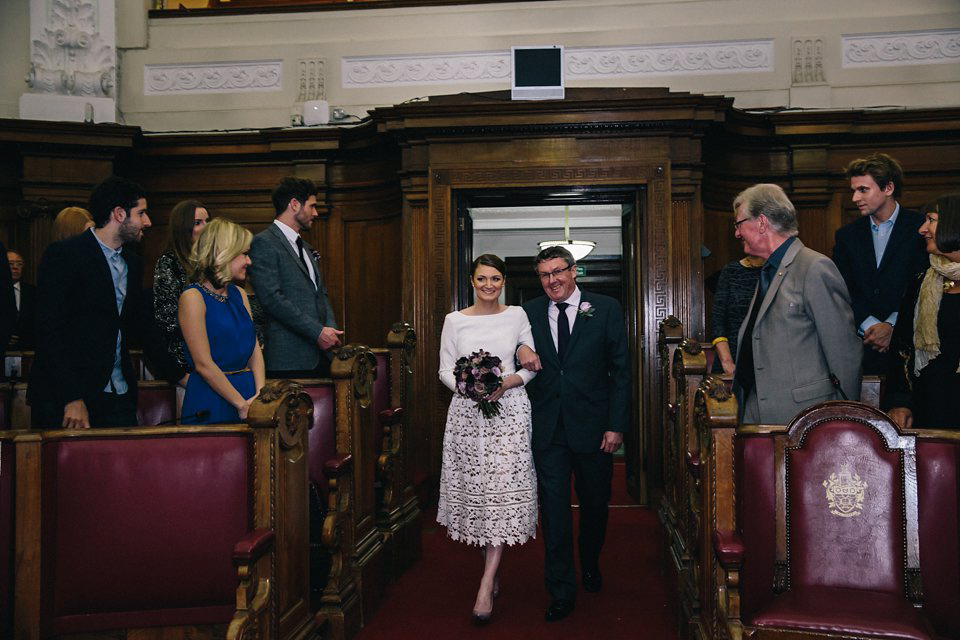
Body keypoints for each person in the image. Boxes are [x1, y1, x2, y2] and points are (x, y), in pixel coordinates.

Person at [518, 245, 630, 622]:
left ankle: (591, 561)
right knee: (553, 510)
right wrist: (520, 346)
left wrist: (616, 425)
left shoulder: (607, 308)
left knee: (595, 503)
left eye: (558, 272)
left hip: (595, 428)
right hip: (547, 428)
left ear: (574, 271)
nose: (552, 280)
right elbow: (511, 347)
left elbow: (621, 371)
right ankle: (561, 588)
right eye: (545, 275)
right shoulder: (528, 312)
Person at [29, 176, 186, 429]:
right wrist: (73, 397)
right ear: (119, 213)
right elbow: (50, 331)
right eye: (142, 213)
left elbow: (144, 327)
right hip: (66, 398)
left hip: (118, 393)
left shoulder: (133, 264)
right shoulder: (64, 255)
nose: (148, 222)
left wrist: (181, 376)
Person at [437, 253, 539, 625]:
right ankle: (492, 571)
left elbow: (530, 367)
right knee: (479, 496)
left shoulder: (518, 316)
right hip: (466, 413)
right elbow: (445, 368)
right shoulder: (454, 320)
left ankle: (484, 584)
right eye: (482, 279)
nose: (489, 285)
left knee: (500, 491)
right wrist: (468, 388)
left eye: (495, 279)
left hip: (510, 411)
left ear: (504, 281)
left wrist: (504, 383)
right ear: (472, 281)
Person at [731, 183, 862, 424]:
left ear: (761, 222)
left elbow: (844, 351)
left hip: (805, 420)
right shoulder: (769, 270)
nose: (737, 233)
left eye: (739, 224)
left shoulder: (814, 267)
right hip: (759, 411)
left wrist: (846, 418)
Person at [833, 153, 928, 375]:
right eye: (854, 190)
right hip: (863, 348)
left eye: (863, 189)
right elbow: (842, 288)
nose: (855, 198)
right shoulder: (846, 236)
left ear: (888, 188)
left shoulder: (921, 229)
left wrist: (893, 326)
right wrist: (870, 326)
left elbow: (923, 285)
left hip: (913, 345)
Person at [249, 177, 342, 378]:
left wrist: (330, 330)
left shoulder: (306, 247)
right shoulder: (264, 242)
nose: (316, 213)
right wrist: (317, 331)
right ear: (294, 204)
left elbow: (321, 294)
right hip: (289, 358)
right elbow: (272, 299)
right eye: (312, 206)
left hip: (321, 355)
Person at [882, 194, 960, 429]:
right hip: (932, 411)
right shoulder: (920, 283)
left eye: (931, 220)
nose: (922, 229)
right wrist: (901, 402)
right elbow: (902, 349)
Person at [179, 218, 264, 424]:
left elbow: (254, 349)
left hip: (249, 393)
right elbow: (203, 363)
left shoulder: (240, 294)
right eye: (244, 254)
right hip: (212, 397)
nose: (249, 261)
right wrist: (241, 404)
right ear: (223, 253)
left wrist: (261, 394)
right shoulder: (193, 297)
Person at [154, 199, 210, 372]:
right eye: (198, 223)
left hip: (211, 354)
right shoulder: (169, 262)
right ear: (183, 228)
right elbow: (167, 319)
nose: (206, 227)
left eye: (208, 221)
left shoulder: (208, 263)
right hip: (185, 361)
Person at [710, 254, 764, 374]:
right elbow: (717, 320)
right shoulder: (731, 271)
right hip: (733, 359)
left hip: (769, 360)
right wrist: (727, 362)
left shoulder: (778, 271)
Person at [6, 250, 36, 350]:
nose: (15, 267)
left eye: (19, 264)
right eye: (10, 264)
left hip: (27, 351)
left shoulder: (33, 293)